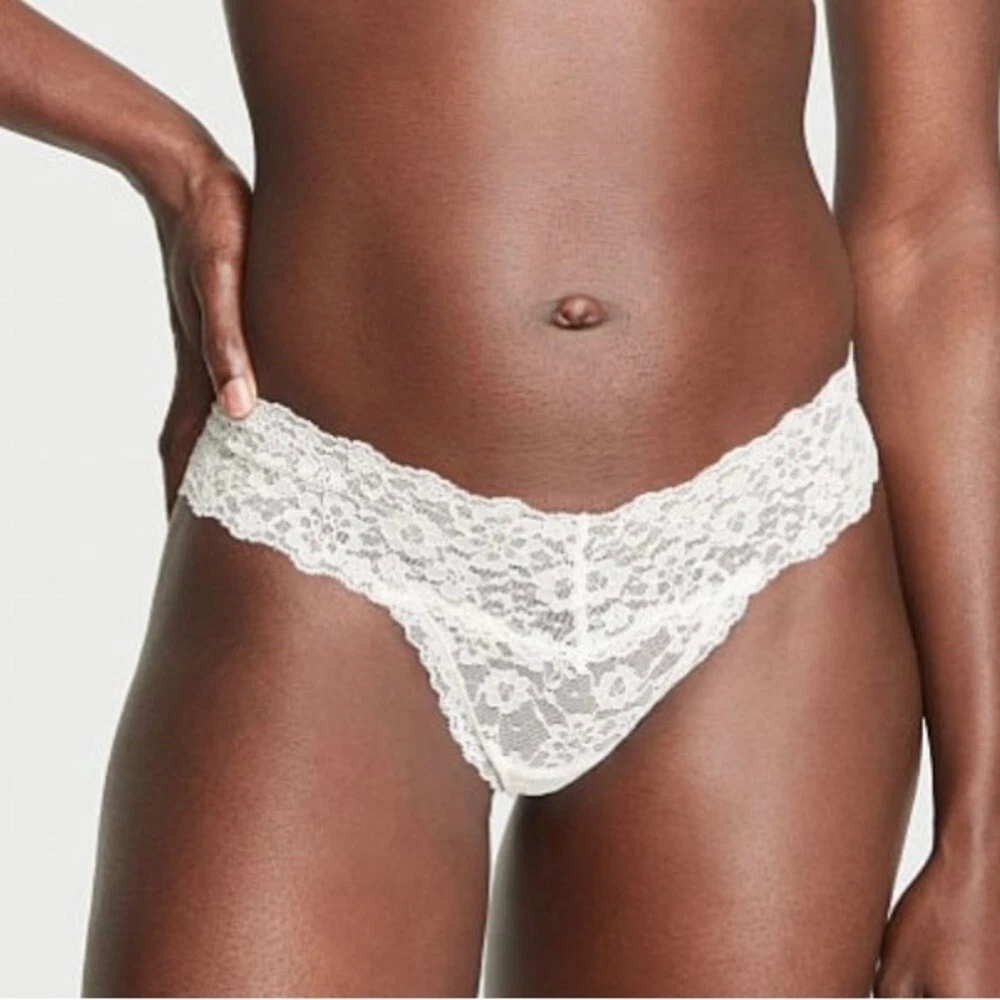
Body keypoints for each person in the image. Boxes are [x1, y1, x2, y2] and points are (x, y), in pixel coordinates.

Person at [3, 0, 999, 995]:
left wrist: (982, 832)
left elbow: (933, 225)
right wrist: (169, 160)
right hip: (330, 531)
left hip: (760, 552)